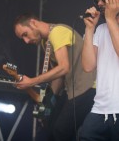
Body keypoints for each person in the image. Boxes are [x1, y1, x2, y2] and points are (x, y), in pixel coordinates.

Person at [13, 13, 96, 141]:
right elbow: (59, 75)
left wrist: (31, 82)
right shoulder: (44, 42)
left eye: (25, 34)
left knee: (61, 131)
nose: (26, 41)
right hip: (72, 90)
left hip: (87, 88)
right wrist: (49, 100)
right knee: (50, 128)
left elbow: (64, 67)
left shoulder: (57, 32)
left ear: (33, 23)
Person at [80, 0, 119, 140]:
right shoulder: (101, 29)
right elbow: (88, 66)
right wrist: (90, 29)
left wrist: (111, 20)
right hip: (99, 110)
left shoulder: (108, 25)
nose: (100, 3)